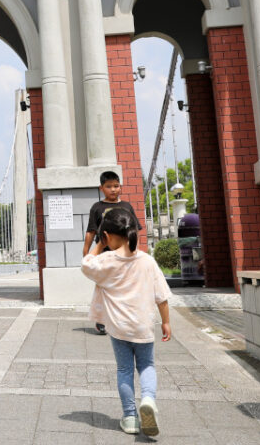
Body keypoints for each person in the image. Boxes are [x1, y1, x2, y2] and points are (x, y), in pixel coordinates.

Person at [81, 207, 171, 437]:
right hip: (143, 326)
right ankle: (148, 400)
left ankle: (130, 417)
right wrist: (166, 322)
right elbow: (161, 296)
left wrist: (100, 244)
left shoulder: (107, 261)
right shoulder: (147, 262)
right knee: (147, 366)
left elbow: (86, 264)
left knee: (124, 370)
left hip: (118, 328)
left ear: (107, 236)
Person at [84, 170, 141, 334]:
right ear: (101, 188)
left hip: (124, 255)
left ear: (120, 186)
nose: (113, 189)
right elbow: (91, 231)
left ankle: (125, 318)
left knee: (125, 286)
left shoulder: (126, 207)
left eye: (116, 186)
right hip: (104, 255)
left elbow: (135, 230)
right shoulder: (97, 207)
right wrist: (86, 251)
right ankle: (102, 319)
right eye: (109, 186)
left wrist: (136, 250)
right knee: (103, 287)